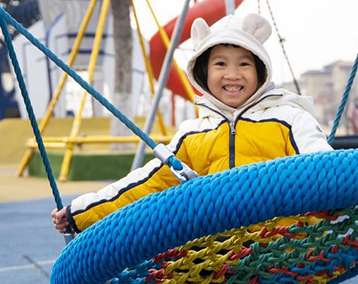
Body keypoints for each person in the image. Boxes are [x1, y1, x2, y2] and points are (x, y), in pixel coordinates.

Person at [51, 12, 331, 234]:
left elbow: (327, 169)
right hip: (213, 251)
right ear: (203, 73)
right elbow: (146, 183)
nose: (232, 75)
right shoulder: (193, 134)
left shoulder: (289, 118)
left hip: (280, 244)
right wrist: (81, 212)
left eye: (244, 64)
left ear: (260, 71)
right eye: (220, 64)